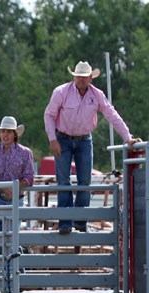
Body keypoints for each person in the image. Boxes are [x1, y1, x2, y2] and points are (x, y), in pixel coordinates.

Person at [44, 61, 140, 234]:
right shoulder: (61, 92)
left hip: (84, 140)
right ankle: (65, 222)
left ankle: (80, 220)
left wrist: (128, 137)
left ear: (90, 78)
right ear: (74, 77)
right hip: (63, 138)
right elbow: (49, 115)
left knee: (85, 181)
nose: (81, 80)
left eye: (84, 77)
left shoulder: (97, 95)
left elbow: (112, 114)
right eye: (78, 76)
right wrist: (52, 139)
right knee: (64, 180)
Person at [0, 116, 35, 256]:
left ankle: (14, 272)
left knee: (12, 238)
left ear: (15, 134)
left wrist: (15, 189)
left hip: (16, 198)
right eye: (3, 131)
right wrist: (3, 188)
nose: (5, 134)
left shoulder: (25, 153)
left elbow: (29, 177)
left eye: (9, 132)